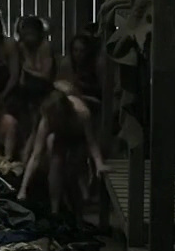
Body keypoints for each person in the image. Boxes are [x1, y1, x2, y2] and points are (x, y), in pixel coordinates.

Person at [18, 89, 109, 217]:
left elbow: (91, 143)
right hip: (61, 135)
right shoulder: (47, 121)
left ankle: (80, 205)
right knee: (56, 164)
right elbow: (36, 155)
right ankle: (55, 209)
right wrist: (23, 189)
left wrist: (99, 164)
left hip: (79, 135)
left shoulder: (82, 114)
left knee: (75, 166)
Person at [13, 15, 56, 138]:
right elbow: (21, 76)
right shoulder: (22, 47)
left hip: (43, 87)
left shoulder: (45, 46)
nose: (28, 37)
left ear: (39, 33)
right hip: (27, 89)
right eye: (26, 34)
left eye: (31, 33)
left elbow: (46, 76)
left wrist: (28, 70)